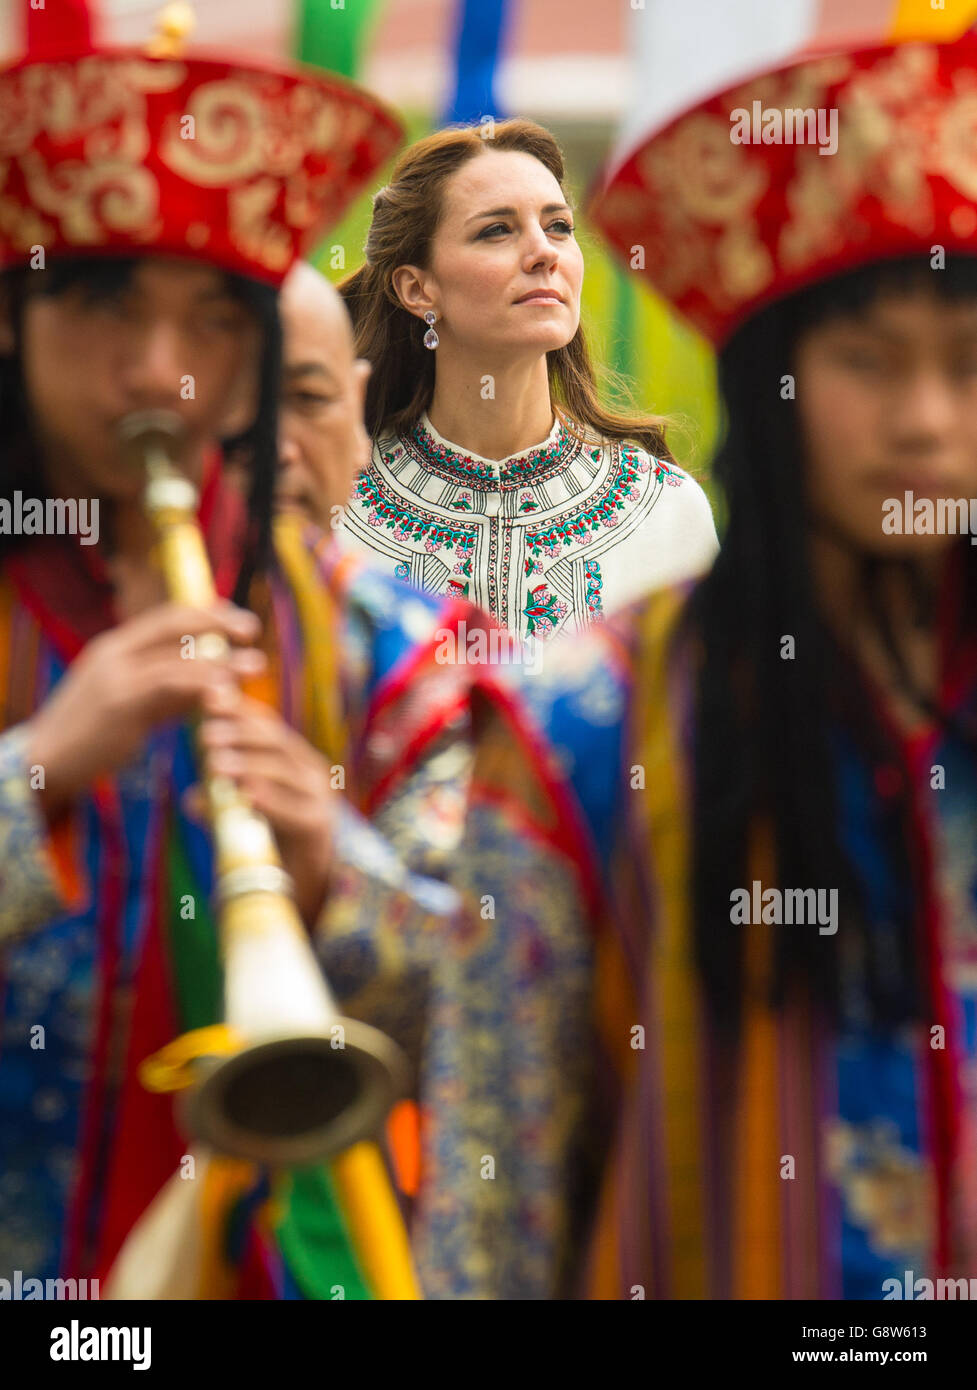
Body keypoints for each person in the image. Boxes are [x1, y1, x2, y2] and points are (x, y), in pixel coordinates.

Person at [503, 31, 977, 1297]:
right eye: (866, 361)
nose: (924, 419)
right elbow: (496, 1201)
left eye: (966, 363)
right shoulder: (586, 726)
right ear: (773, 385)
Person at [0, 0, 440, 1299]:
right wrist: (42, 767)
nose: (162, 372)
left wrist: (332, 862)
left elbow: (510, 981)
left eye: (211, 324)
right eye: (108, 313)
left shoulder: (362, 626)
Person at [337, 118, 718, 640]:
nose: (545, 252)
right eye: (497, 230)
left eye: (558, 226)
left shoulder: (667, 512)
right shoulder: (336, 511)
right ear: (417, 289)